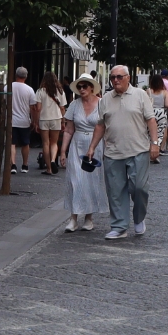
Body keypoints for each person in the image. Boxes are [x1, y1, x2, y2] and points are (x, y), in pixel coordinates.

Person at [98, 65, 160, 239]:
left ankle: (139, 218)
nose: (115, 80)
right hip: (113, 151)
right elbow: (100, 125)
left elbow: (151, 120)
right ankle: (119, 226)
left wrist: (155, 143)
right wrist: (92, 147)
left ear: (128, 78)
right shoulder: (105, 99)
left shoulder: (140, 95)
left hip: (138, 149)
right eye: (112, 77)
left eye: (119, 77)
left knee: (139, 187)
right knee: (115, 191)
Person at [59, 75, 104, 233]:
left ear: (92, 87)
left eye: (85, 86)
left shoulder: (101, 104)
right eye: (79, 87)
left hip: (96, 145)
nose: (82, 89)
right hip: (77, 145)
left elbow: (106, 127)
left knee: (91, 181)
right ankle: (73, 218)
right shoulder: (74, 105)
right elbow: (68, 130)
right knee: (75, 180)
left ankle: (89, 217)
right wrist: (62, 151)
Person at [7, 66, 38, 174]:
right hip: (24, 121)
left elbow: (4, 104)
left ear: (16, 75)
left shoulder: (8, 87)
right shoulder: (29, 90)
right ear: (26, 76)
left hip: (11, 121)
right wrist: (34, 121)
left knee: (12, 143)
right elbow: (33, 108)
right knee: (25, 143)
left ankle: (13, 165)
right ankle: (25, 165)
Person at [36, 72, 67, 175]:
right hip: (56, 118)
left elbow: (38, 108)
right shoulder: (60, 91)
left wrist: (36, 121)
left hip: (44, 119)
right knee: (54, 143)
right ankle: (53, 160)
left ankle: (49, 168)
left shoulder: (40, 91)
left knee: (45, 143)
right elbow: (62, 108)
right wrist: (63, 121)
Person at [146, 72, 168, 164]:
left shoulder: (148, 91)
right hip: (161, 113)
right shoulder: (164, 92)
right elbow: (167, 104)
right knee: (160, 132)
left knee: (149, 132)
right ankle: (157, 151)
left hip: (150, 112)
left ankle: (150, 151)